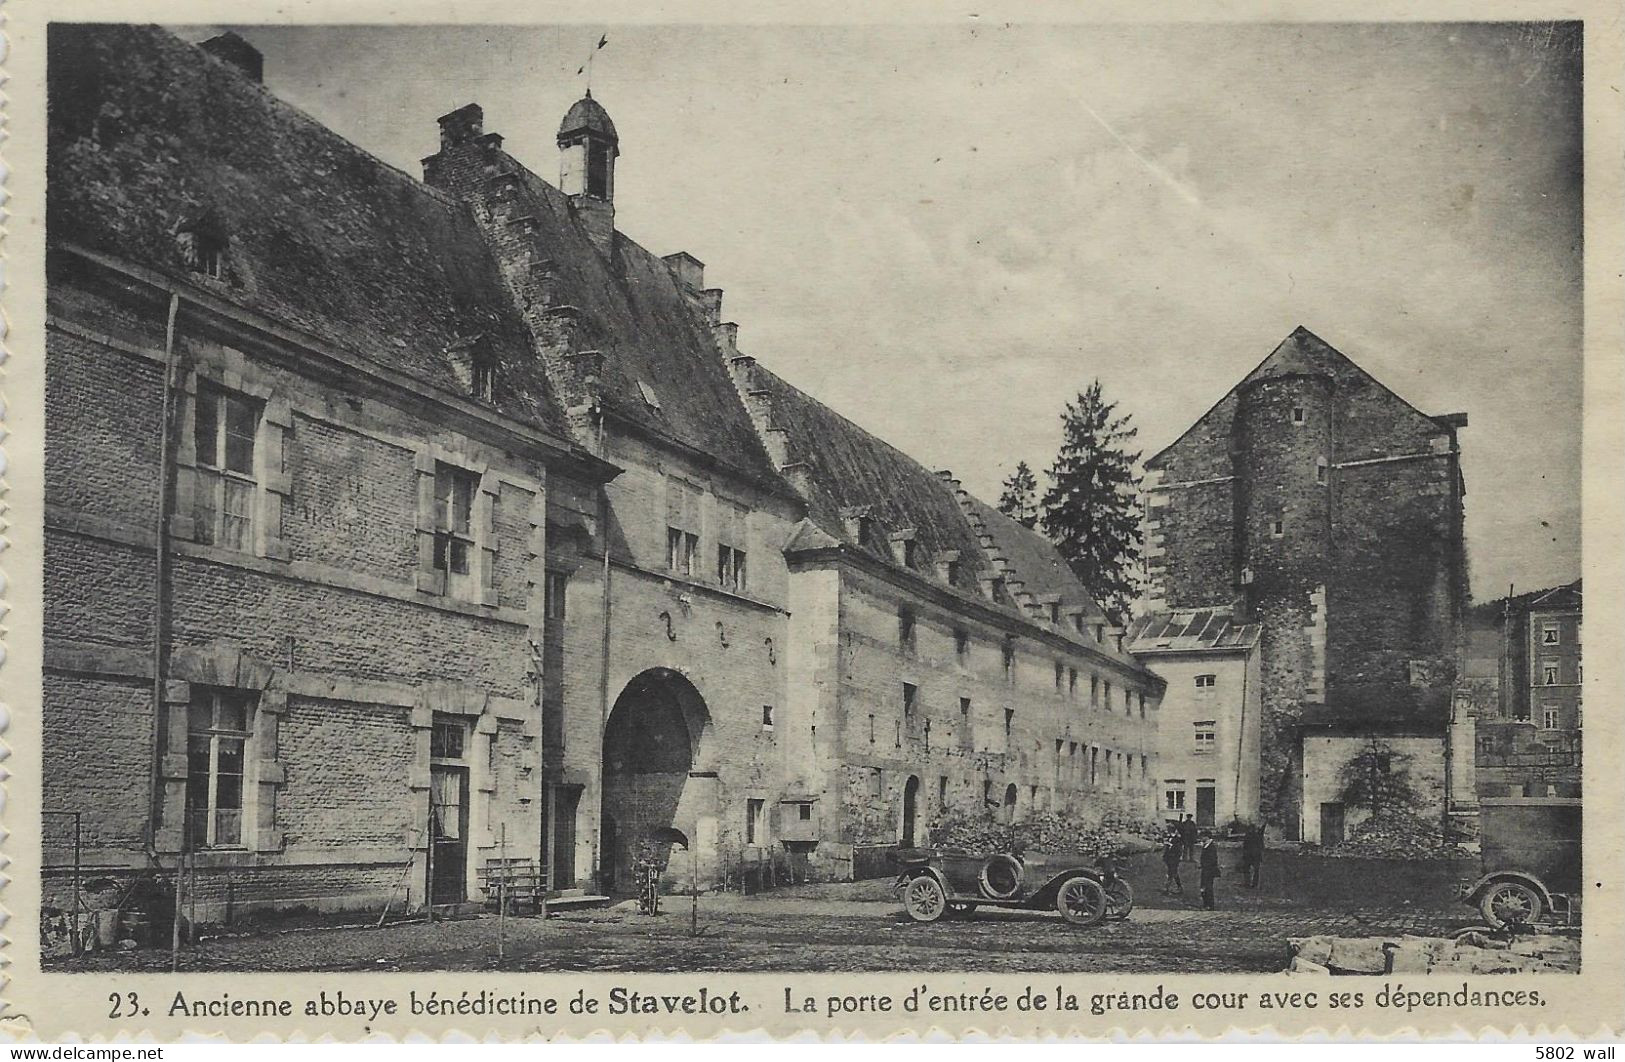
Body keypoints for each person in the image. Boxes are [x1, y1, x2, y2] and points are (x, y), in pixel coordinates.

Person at [1199, 832, 1221, 910]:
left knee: (1207, 888)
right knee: (1204, 888)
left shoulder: (1211, 847)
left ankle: (1209, 905)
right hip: (1206, 870)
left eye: (1202, 836)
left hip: (1209, 871)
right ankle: (1206, 904)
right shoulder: (1206, 845)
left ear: (1207, 837)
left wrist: (1204, 865)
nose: (1201, 838)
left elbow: (1212, 860)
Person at [1241, 823, 1265, 888]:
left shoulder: (1249, 836)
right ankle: (1252, 883)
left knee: (1251, 870)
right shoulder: (1257, 836)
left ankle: (1250, 883)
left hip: (1251, 855)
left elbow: (1245, 846)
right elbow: (1261, 846)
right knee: (1253, 870)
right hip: (1253, 855)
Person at [1161, 828, 1184, 895]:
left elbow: (1178, 849)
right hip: (1169, 858)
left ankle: (1167, 888)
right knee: (1172, 873)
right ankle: (1178, 887)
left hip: (1174, 859)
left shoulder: (1178, 839)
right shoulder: (1169, 838)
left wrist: (1171, 845)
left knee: (1172, 873)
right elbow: (1167, 849)